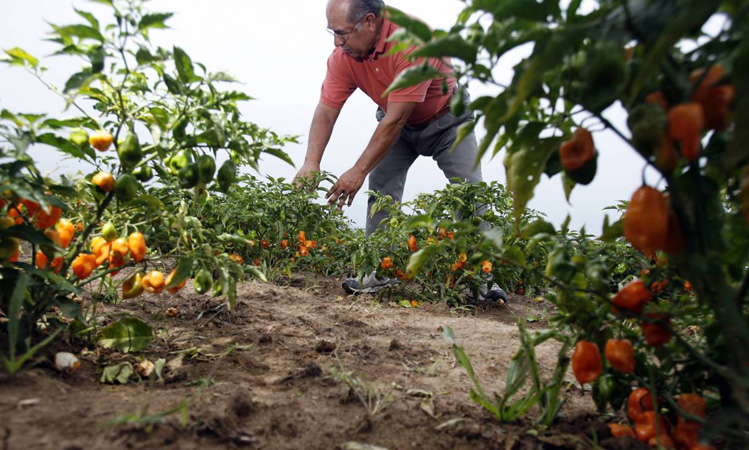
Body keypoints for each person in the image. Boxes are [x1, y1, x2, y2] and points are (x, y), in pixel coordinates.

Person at [293, 0, 505, 302]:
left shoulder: (412, 41)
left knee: (470, 193)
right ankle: (377, 272)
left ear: (369, 21)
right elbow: (327, 109)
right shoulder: (344, 56)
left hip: (447, 122)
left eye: (343, 33)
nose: (338, 42)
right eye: (333, 33)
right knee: (381, 190)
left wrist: (356, 171)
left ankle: (482, 282)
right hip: (398, 127)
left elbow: (396, 118)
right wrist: (310, 162)